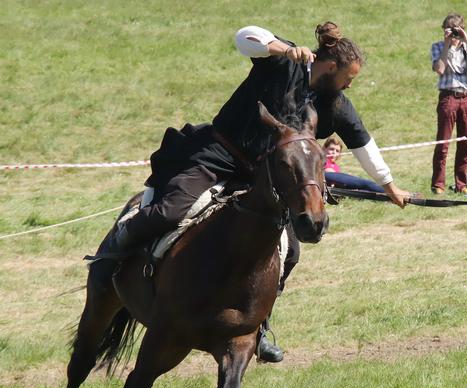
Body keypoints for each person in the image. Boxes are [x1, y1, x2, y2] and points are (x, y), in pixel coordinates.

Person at [107, 22, 411, 362]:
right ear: (329, 67)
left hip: (260, 179)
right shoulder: (284, 63)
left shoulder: (335, 104)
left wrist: (390, 186)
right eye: (348, 77)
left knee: (288, 253)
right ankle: (115, 253)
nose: (350, 84)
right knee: (172, 211)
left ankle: (258, 326)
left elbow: (363, 144)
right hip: (216, 157)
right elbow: (245, 37)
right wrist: (284, 49)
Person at [430, 13, 467, 195]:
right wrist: (447, 45)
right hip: (449, 97)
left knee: (465, 143)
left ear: (462, 29)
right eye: (448, 30)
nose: (452, 34)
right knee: (443, 142)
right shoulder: (438, 47)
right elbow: (440, 69)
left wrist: (466, 40)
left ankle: (462, 184)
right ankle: (438, 184)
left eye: (455, 30)